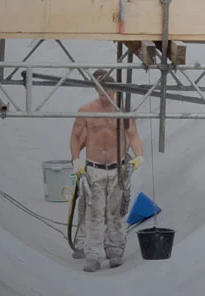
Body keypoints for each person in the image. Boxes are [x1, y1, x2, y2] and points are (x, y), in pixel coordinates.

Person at [69, 69, 143, 272]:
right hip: (94, 168)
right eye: (100, 92)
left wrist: (138, 156)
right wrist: (76, 161)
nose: (103, 97)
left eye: (107, 92)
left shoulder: (123, 110)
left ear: (114, 90)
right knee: (94, 212)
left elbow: (133, 135)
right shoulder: (86, 111)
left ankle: (115, 250)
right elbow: (76, 137)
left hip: (117, 168)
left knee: (115, 212)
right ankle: (93, 254)